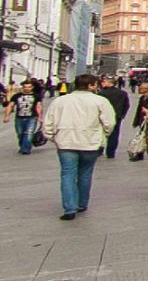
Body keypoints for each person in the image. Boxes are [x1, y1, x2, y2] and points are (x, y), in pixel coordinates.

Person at [43, 73, 116, 220]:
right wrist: (103, 136)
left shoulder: (60, 101)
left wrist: (53, 137)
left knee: (67, 174)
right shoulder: (100, 101)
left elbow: (48, 122)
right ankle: (82, 203)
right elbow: (110, 122)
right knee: (85, 173)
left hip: (66, 142)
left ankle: (69, 208)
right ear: (91, 86)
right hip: (90, 142)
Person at [4, 79, 42, 154]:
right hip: (19, 118)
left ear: (32, 87)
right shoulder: (16, 96)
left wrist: (40, 117)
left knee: (29, 133)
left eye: (29, 87)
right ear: (23, 87)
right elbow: (10, 106)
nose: (27, 88)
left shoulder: (36, 96)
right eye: (25, 87)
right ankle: (23, 146)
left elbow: (38, 106)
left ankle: (26, 149)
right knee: (20, 133)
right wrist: (7, 116)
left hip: (32, 117)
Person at [96, 76, 130, 160]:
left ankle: (100, 150)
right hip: (117, 116)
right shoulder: (122, 93)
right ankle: (111, 153)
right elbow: (126, 105)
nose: (102, 83)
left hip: (103, 116)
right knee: (114, 134)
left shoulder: (102, 93)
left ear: (110, 83)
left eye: (104, 82)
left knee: (101, 132)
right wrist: (122, 114)